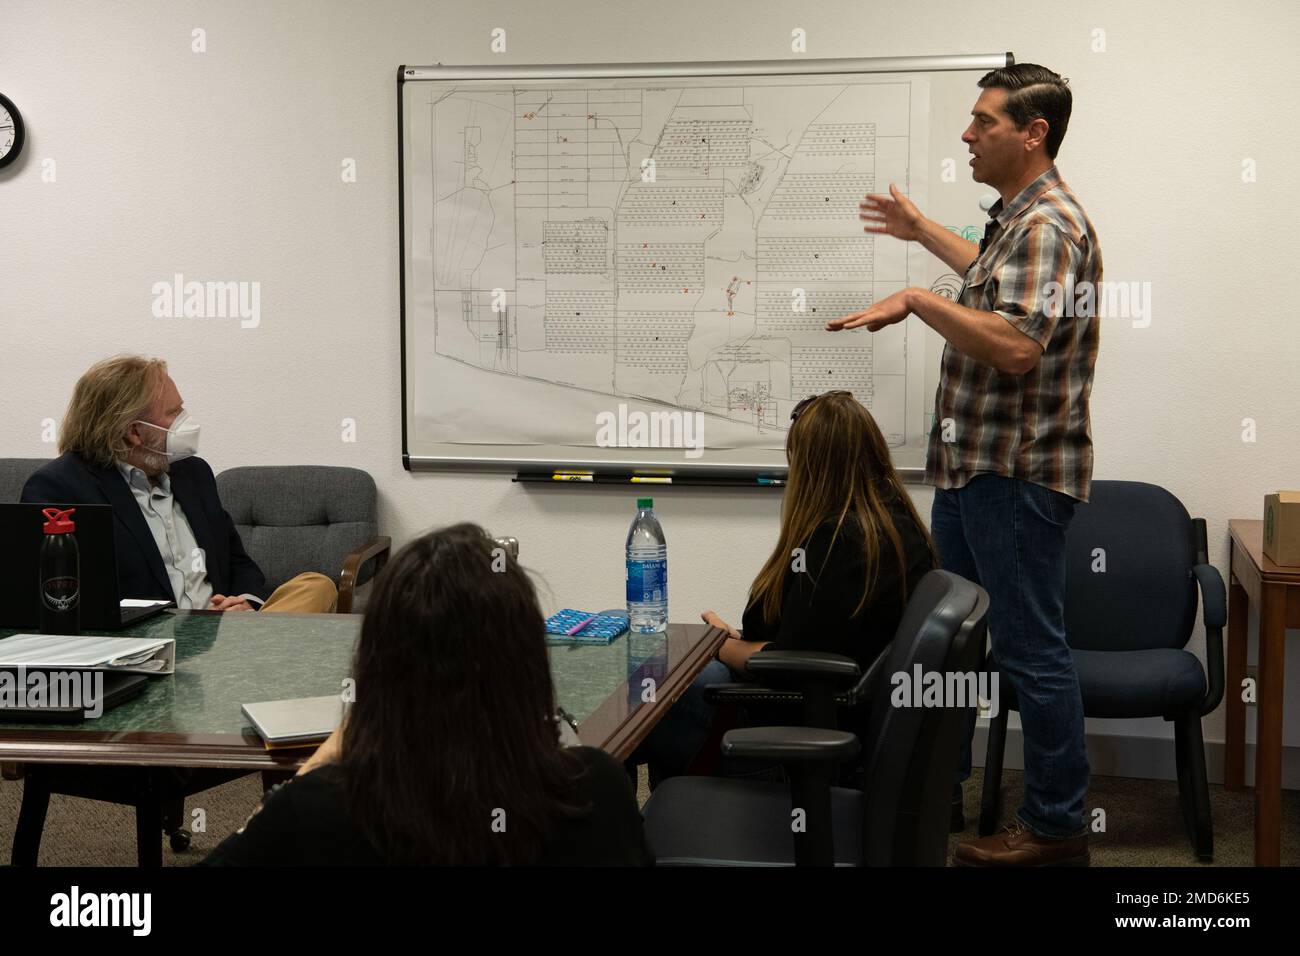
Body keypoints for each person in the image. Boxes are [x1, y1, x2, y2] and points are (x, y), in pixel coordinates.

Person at [828, 64, 1100, 866]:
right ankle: (933, 789)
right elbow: (991, 286)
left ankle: (1055, 827)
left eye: (983, 121)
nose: (967, 133)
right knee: (949, 646)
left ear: (1032, 132)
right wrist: (922, 232)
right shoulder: (1020, 221)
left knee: (1030, 652)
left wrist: (916, 297)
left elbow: (1016, 344)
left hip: (1012, 477)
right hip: (973, 469)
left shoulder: (1049, 224)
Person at [204, 523, 652, 865]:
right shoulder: (596, 789)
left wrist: (317, 763)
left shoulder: (314, 811)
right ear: (528, 663)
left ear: (377, 664)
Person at [630, 390, 937, 790]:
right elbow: (808, 637)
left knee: (649, 683)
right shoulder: (896, 526)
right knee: (659, 669)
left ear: (811, 467)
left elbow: (791, 665)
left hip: (797, 732)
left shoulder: (837, 543)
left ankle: (645, 821)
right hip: (838, 717)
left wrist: (717, 643)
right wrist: (734, 643)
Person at [22, 355, 336, 613]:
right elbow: (63, 600)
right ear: (134, 431)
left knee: (315, 585)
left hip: (224, 630)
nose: (186, 420)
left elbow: (238, 562)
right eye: (174, 412)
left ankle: (252, 649)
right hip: (152, 639)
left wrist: (245, 603)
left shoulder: (193, 474)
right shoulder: (60, 488)